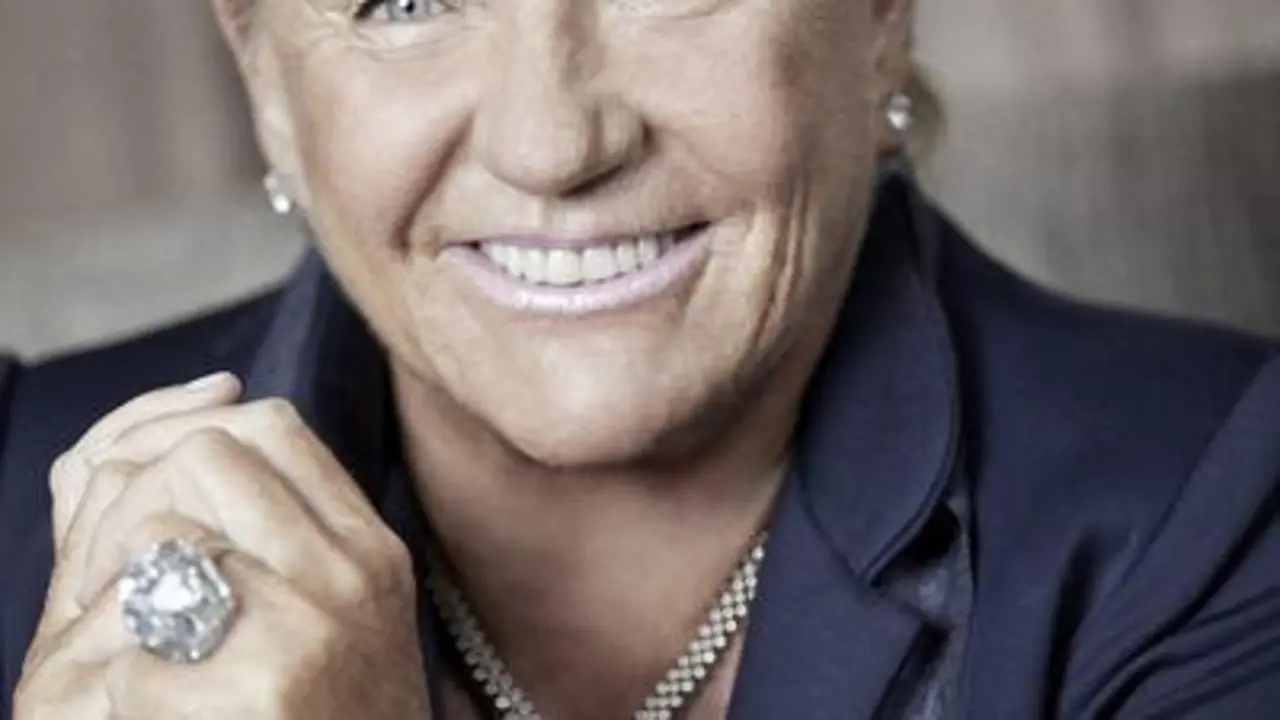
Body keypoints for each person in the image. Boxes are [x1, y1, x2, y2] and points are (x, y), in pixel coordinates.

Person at [3, 0, 1280, 717]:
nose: (554, 142)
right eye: (406, 0)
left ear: (878, 21)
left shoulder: (1220, 510)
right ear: (269, 86)